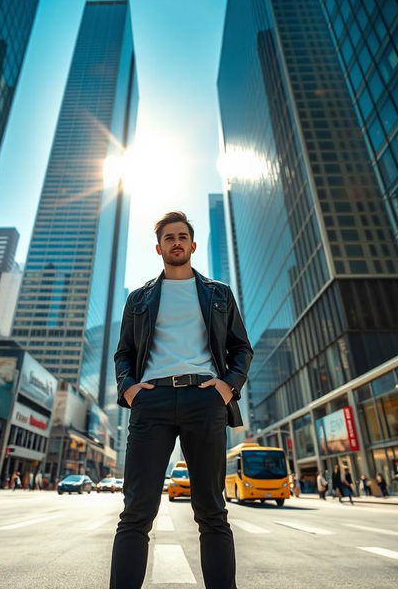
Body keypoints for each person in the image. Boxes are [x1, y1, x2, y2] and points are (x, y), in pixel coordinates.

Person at [109, 212, 252, 589]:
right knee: (136, 513)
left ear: (192, 245)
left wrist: (227, 387)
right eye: (169, 237)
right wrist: (129, 389)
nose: (176, 242)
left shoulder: (219, 293)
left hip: (204, 399)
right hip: (151, 402)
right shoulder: (138, 298)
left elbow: (241, 348)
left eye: (182, 236)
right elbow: (123, 353)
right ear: (159, 248)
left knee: (212, 512)